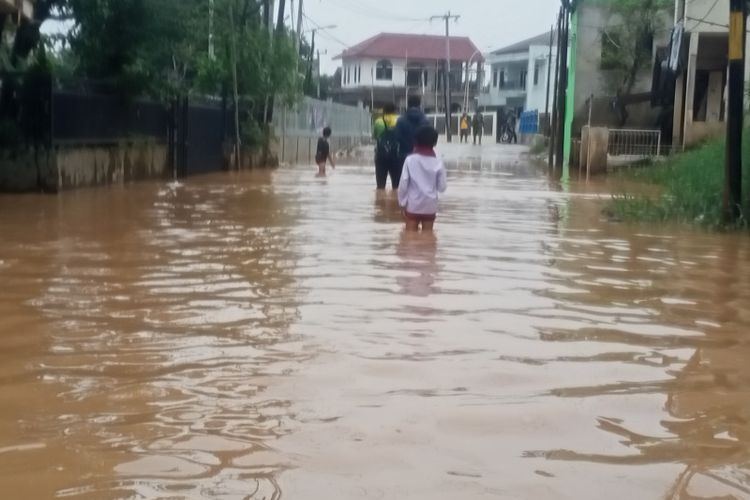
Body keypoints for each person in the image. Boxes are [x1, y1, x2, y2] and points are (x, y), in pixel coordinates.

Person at [398, 125, 447, 232]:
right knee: (428, 238)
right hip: (430, 206)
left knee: (410, 237)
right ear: (435, 143)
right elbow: (442, 187)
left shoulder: (410, 160)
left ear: (415, 141)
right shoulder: (438, 161)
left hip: (413, 205)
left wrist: (402, 204)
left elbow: (403, 184)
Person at [394, 95, 429, 188]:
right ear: (419, 104)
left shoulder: (401, 120)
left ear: (408, 105)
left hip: (403, 155)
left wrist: (408, 146)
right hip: (421, 156)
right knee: (419, 185)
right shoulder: (425, 120)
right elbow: (429, 138)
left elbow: (397, 137)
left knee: (402, 185)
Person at [372, 103, 401, 189]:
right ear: (395, 111)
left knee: (380, 186)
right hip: (396, 156)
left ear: (384, 111)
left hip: (381, 155)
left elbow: (374, 136)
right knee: (396, 186)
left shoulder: (378, 122)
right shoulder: (399, 121)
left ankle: (380, 201)